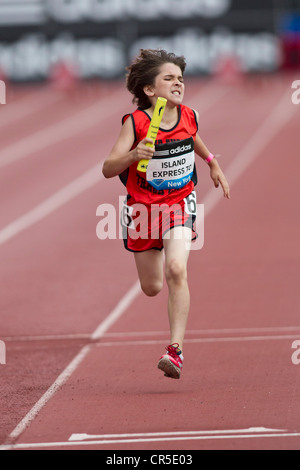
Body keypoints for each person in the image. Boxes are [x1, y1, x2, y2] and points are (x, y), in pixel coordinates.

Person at [102, 49, 230, 379]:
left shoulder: (189, 115)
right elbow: (107, 168)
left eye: (181, 78)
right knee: (152, 287)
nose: (178, 83)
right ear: (149, 90)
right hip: (142, 211)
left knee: (176, 269)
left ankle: (175, 351)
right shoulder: (136, 122)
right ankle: (155, 249)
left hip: (179, 203)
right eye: (169, 78)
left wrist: (212, 162)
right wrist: (134, 154)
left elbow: (193, 139)